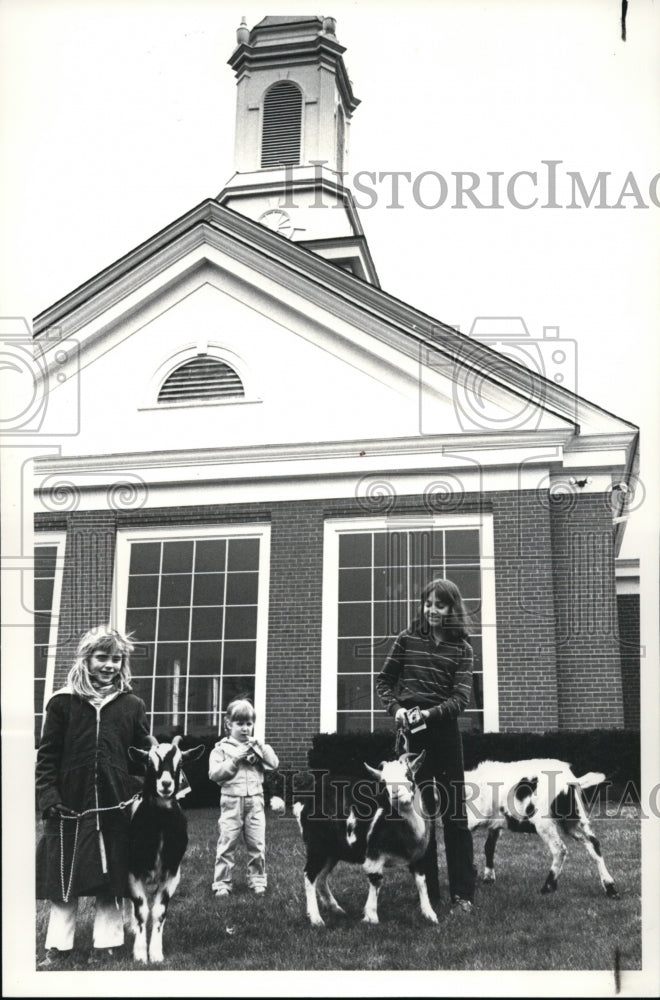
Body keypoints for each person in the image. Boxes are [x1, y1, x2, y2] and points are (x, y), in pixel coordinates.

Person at [36, 626, 151, 968]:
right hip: (69, 804)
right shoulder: (62, 702)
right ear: (86, 659)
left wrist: (138, 785)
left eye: (117, 658)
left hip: (115, 805)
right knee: (64, 878)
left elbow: (141, 754)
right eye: (102, 657)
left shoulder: (131, 704)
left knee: (112, 878)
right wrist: (48, 795)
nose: (110, 665)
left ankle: (108, 945)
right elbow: (47, 756)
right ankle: (58, 947)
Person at [375, 577, 476, 916]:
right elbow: (384, 681)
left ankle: (462, 894)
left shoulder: (463, 648)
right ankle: (429, 891)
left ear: (452, 609)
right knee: (422, 817)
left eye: (440, 605)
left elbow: (461, 699)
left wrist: (429, 714)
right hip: (413, 740)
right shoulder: (406, 640)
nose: (432, 609)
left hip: (445, 737)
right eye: (428, 603)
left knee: (455, 818)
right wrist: (398, 710)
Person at [209, 697, 279, 898]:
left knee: (257, 844)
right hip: (231, 801)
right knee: (227, 843)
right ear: (229, 724)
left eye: (249, 723)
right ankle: (222, 883)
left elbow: (273, 764)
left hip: (255, 801)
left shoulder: (256, 745)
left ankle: (257, 880)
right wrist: (235, 759)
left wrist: (262, 748)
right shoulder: (221, 748)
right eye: (239, 723)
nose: (245, 728)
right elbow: (214, 775)